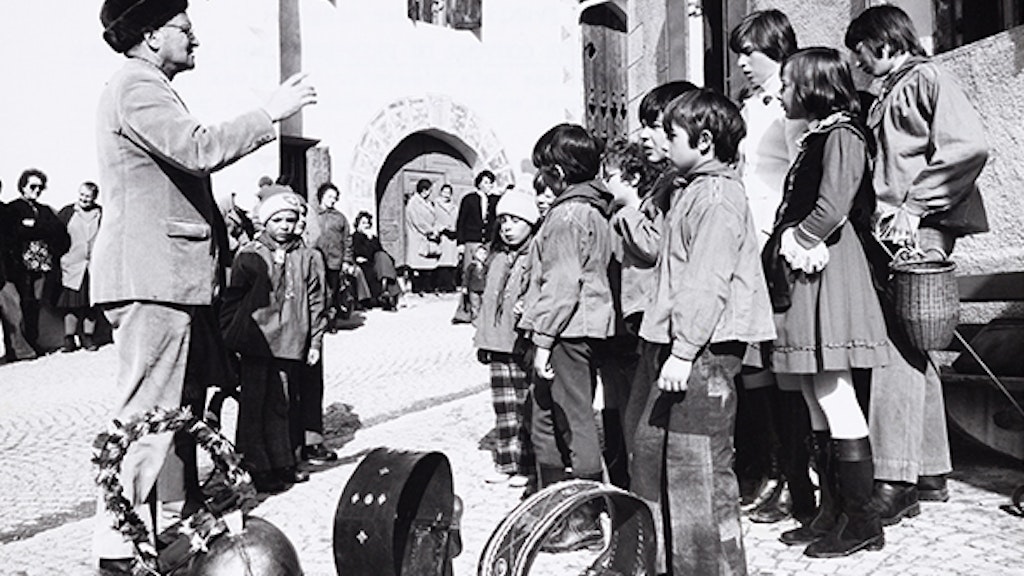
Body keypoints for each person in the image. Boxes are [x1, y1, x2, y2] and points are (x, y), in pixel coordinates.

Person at [91, 1, 316, 571]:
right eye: (185, 30)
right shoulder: (138, 86)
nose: (196, 40)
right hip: (153, 277)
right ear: (149, 35)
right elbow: (197, 148)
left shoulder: (144, 86)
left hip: (165, 276)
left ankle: (155, 526)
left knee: (166, 410)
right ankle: (120, 549)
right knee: (147, 411)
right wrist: (270, 115)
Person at [845, 4, 989, 522]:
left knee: (896, 348)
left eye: (860, 50)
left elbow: (969, 147)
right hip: (897, 232)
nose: (858, 62)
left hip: (919, 229)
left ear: (882, 41)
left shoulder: (926, 77)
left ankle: (894, 477)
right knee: (914, 342)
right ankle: (930, 470)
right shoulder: (890, 88)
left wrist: (913, 205)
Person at [629, 88, 774, 575]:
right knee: (652, 456)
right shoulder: (690, 188)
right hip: (683, 346)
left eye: (671, 135)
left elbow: (707, 280)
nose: (662, 143)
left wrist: (684, 351)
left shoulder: (716, 196)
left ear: (705, 141)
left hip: (704, 349)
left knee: (700, 473)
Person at [768, 48, 891, 558]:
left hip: (827, 266)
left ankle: (862, 519)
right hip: (808, 268)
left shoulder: (842, 134)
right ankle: (832, 509)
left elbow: (834, 204)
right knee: (817, 389)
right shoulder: (818, 134)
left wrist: (802, 237)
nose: (782, 93)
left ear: (814, 86)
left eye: (790, 84)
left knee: (836, 389)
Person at [728, 8, 814, 526]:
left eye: (748, 52)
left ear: (775, 49)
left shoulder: (792, 105)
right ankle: (765, 469)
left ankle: (795, 477)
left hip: (778, 249)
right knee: (754, 364)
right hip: (746, 246)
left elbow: (801, 178)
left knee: (784, 366)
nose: (741, 61)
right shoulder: (752, 106)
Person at [519, 123, 615, 553]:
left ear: (557, 172)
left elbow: (561, 285)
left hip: (566, 333)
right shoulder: (595, 209)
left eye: (544, 169)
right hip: (580, 329)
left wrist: (542, 341)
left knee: (574, 422)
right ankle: (555, 510)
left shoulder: (565, 215)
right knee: (548, 418)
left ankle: (584, 520)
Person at [220, 191, 327, 493]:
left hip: (290, 341)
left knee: (281, 404)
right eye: (277, 220)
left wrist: (315, 342)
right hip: (256, 342)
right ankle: (256, 466)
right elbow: (233, 298)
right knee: (254, 404)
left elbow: (317, 301)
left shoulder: (306, 257)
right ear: (265, 222)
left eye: (290, 220)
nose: (284, 226)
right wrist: (230, 334)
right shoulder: (251, 255)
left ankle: (282, 461)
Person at [598, 137, 659, 489]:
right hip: (627, 321)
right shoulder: (617, 216)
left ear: (633, 178)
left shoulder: (642, 210)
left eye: (611, 176)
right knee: (626, 403)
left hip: (647, 318)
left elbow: (651, 248)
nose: (606, 183)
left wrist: (628, 215)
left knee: (642, 407)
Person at [474, 190, 540, 489]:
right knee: (503, 407)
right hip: (497, 344)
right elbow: (487, 302)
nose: (508, 227)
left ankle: (527, 464)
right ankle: (505, 461)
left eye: (516, 220)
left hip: (522, 344)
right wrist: (482, 340)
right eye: (504, 221)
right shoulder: (496, 257)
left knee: (526, 405)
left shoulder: (536, 255)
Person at [6, 168, 71, 352]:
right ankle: (21, 345)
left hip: (42, 266)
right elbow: (13, 234)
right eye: (33, 186)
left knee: (35, 303)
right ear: (23, 187)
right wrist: (36, 230)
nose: (37, 191)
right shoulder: (13, 208)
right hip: (19, 267)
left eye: (40, 187)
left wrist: (34, 228)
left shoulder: (44, 210)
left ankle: (33, 341)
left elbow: (58, 234)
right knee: (22, 304)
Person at [56, 182, 103, 353]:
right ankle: (69, 338)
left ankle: (88, 337)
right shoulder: (68, 212)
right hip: (72, 265)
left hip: (94, 265)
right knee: (71, 303)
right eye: (82, 195)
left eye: (88, 196)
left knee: (91, 303)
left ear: (94, 198)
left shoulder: (100, 213)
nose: (84, 199)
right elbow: (56, 234)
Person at [306, 182, 361, 328]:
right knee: (318, 291)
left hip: (334, 261)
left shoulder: (340, 218)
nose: (333, 199)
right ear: (322, 197)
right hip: (316, 261)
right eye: (330, 196)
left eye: (335, 197)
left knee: (332, 291)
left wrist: (347, 260)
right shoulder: (313, 216)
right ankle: (317, 321)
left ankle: (331, 321)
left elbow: (347, 240)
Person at [0, 180, 38, 363]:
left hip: (6, 272)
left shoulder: (6, 212)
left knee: (13, 312)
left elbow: (15, 238)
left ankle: (19, 351)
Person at [352, 211, 401, 310]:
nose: (366, 226)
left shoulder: (372, 238)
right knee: (379, 261)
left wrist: (371, 240)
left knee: (382, 257)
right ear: (357, 225)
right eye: (363, 223)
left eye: (367, 223)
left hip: (375, 263)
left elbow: (379, 251)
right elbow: (362, 252)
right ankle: (387, 293)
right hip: (363, 263)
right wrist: (369, 240)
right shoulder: (355, 237)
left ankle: (386, 291)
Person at [455, 170, 496, 283]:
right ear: (479, 184)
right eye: (486, 182)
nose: (489, 185)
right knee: (469, 270)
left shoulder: (494, 200)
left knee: (486, 270)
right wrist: (460, 242)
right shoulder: (469, 199)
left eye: (491, 183)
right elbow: (461, 221)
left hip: (488, 241)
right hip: (472, 240)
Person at [405, 178, 441, 293]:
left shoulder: (428, 202)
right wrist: (430, 231)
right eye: (430, 190)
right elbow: (418, 221)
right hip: (419, 236)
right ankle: (418, 288)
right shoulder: (414, 203)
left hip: (427, 237)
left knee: (428, 263)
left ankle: (427, 287)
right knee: (418, 264)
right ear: (424, 190)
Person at [434, 183, 459, 292]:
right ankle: (441, 285)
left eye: (448, 193)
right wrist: (441, 229)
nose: (446, 195)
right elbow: (433, 219)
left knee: (452, 262)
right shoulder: (435, 205)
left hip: (452, 237)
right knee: (442, 261)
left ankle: (450, 285)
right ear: (440, 193)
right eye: (444, 192)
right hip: (442, 236)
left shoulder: (454, 207)